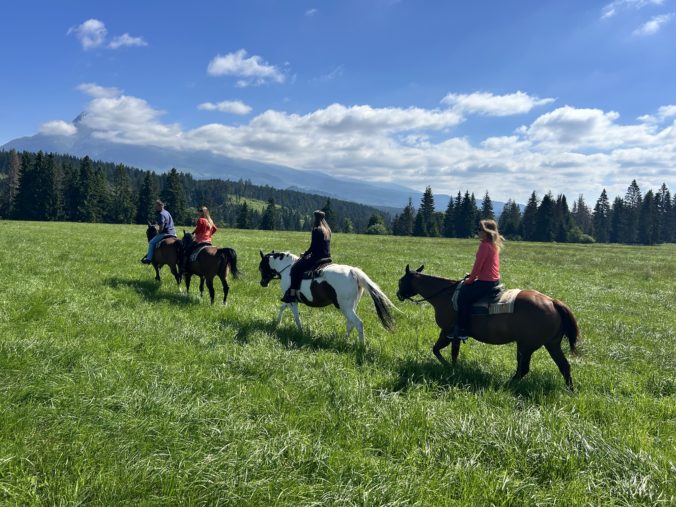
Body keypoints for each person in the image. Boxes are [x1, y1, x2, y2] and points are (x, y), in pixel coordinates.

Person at [454, 219, 504, 340]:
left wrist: (470, 280)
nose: (477, 231)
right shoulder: (494, 245)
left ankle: (462, 330)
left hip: (485, 283)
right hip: (494, 281)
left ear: (487, 232)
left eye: (479, 229)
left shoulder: (484, 246)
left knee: (462, 298)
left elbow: (478, 266)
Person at [281, 210, 332, 303]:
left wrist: (304, 254)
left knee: (295, 268)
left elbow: (313, 247)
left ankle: (292, 294)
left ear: (315, 218)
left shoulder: (316, 229)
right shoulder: (327, 230)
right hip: (326, 258)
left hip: (317, 258)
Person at [141, 199, 177, 264]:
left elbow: (161, 227)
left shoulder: (161, 214)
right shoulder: (167, 212)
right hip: (173, 233)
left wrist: (158, 232)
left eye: (156, 206)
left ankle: (148, 259)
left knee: (151, 242)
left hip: (165, 233)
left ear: (160, 206)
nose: (155, 208)